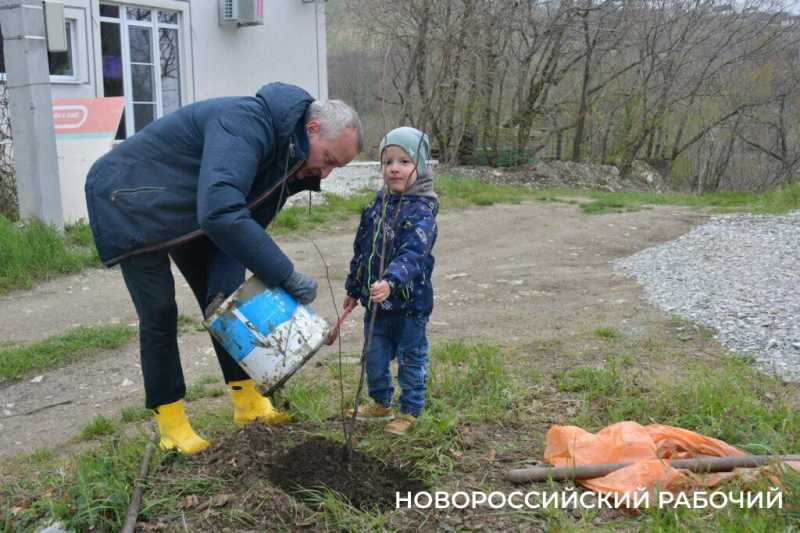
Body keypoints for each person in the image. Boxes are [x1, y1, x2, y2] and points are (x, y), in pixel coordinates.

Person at [85, 83, 362, 454]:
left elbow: (240, 227)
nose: (325, 174)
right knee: (160, 312)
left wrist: (234, 292)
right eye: (328, 160)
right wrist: (285, 274)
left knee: (227, 297)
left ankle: (248, 403)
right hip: (128, 198)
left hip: (192, 208)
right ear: (312, 130)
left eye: (334, 167)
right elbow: (220, 212)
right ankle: (171, 425)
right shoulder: (246, 124)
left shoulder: (288, 159)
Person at [343, 126, 438, 436]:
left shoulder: (422, 210)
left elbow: (414, 254)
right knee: (374, 355)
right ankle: (380, 402)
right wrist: (354, 288)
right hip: (376, 302)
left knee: (411, 357)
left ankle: (410, 410)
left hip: (409, 303)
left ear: (420, 166)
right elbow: (363, 249)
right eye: (387, 162)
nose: (394, 168)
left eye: (404, 161)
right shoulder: (376, 206)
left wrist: (391, 281)